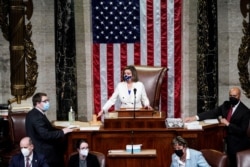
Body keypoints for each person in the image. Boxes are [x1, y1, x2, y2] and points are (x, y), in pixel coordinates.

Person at [184, 86, 250, 167]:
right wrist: (194, 118)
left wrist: (228, 123)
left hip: (238, 144)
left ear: (239, 96)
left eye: (234, 96)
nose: (232, 98)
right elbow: (212, 113)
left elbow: (241, 131)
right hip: (224, 140)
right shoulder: (226, 105)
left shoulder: (245, 111)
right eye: (230, 96)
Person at [25, 92, 73, 167]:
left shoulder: (36, 113)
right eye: (45, 101)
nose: (47, 103)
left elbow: (46, 128)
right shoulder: (36, 116)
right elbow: (45, 135)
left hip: (39, 145)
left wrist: (61, 129)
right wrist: (62, 131)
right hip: (42, 149)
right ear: (37, 103)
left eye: (48, 101)